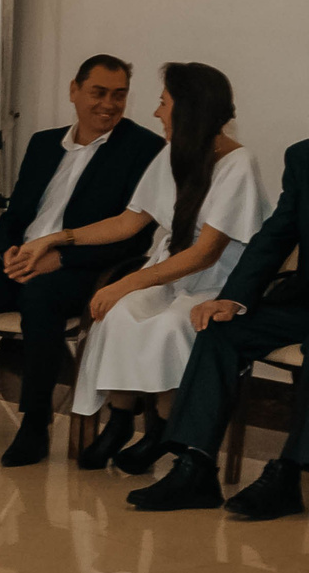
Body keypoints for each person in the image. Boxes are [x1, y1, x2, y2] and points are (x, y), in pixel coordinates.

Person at [13, 63, 271, 477]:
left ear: (188, 108)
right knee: (116, 315)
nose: (156, 112)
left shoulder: (238, 163)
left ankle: (162, 431)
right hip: (169, 272)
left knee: (169, 325)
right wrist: (57, 238)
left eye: (163, 103)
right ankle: (119, 421)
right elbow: (128, 222)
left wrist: (125, 283)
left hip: (217, 285)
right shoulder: (172, 152)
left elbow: (205, 254)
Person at [0, 55, 163, 466]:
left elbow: (135, 237)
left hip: (83, 271)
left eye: (119, 95)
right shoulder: (44, 143)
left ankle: (35, 424)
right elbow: (16, 214)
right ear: (74, 90)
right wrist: (9, 250)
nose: (109, 104)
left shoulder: (145, 149)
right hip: (20, 262)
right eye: (98, 93)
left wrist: (61, 259)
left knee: (40, 297)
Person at [127, 139, 309, 515]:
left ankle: (288, 475)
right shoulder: (303, 157)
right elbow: (276, 235)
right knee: (218, 328)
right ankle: (196, 466)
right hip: (301, 302)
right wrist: (233, 298)